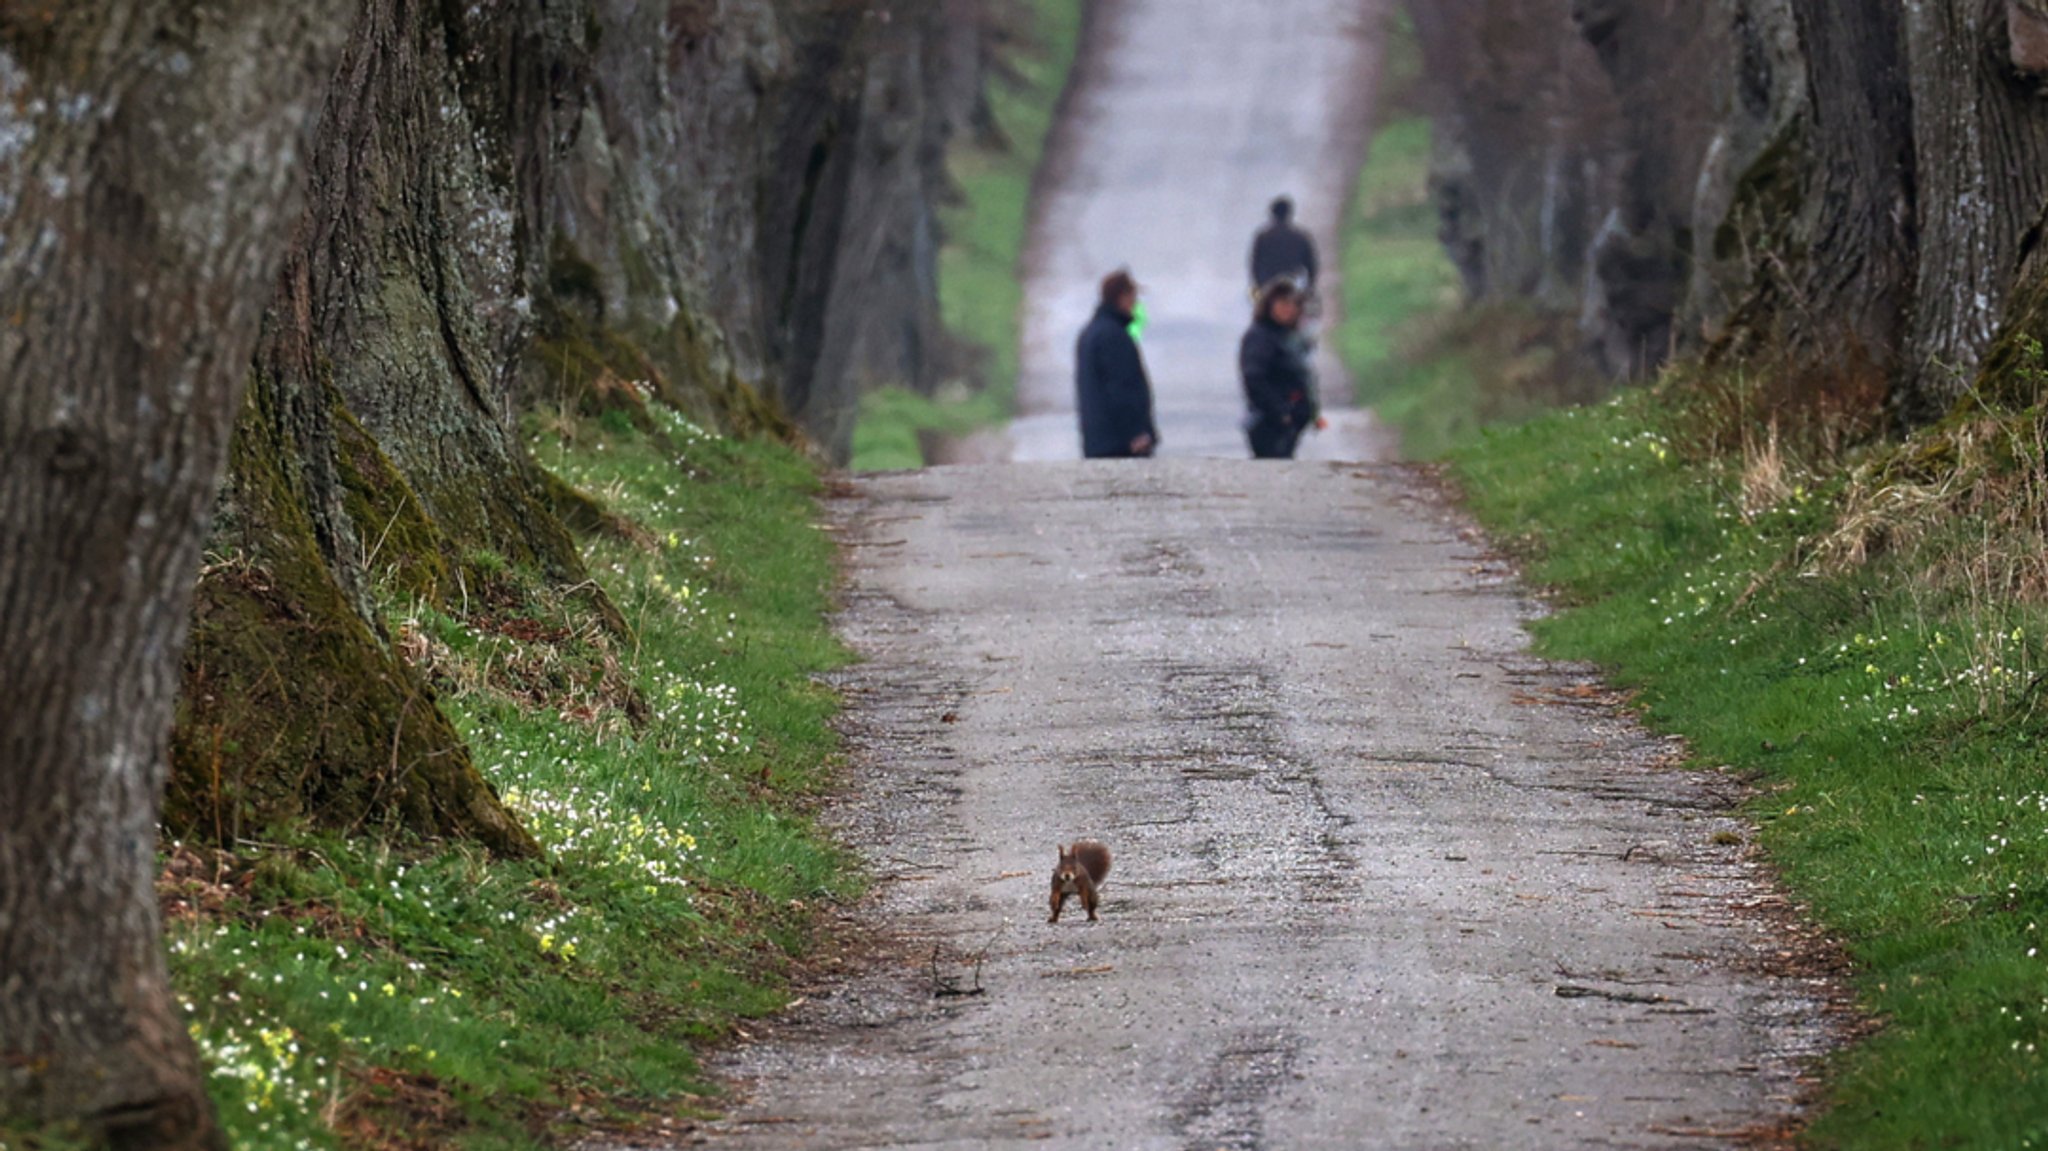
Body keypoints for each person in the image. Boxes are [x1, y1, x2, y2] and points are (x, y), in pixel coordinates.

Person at [1075, 269, 1160, 458]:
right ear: (1121, 297)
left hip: (1097, 442)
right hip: (1121, 445)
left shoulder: (1090, 333)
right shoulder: (1113, 336)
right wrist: (1136, 432)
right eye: (1133, 297)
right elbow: (1122, 388)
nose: (1135, 303)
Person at [1240, 278, 1321, 460]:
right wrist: (1280, 412)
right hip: (1268, 423)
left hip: (1289, 422)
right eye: (1283, 304)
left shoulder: (1288, 337)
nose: (1289, 309)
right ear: (1269, 305)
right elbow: (1254, 378)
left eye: (1294, 305)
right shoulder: (1259, 337)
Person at [1250, 196, 1319, 294]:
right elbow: (1311, 265)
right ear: (1289, 213)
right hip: (1293, 284)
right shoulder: (1301, 236)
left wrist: (1259, 285)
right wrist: (1309, 286)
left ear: (1272, 214)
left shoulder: (1262, 237)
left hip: (1268, 286)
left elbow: (1255, 265)